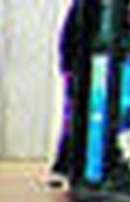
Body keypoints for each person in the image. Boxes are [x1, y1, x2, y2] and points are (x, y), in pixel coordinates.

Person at [52, 0, 97, 187]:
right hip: (80, 71)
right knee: (74, 119)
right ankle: (64, 168)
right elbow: (67, 39)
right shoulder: (83, 6)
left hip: (92, 70)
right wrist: (68, 69)